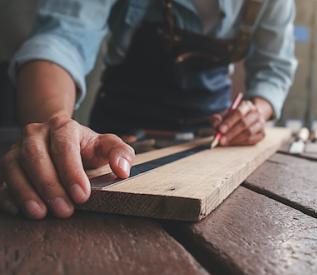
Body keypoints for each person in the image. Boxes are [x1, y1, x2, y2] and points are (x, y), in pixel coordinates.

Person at [0, 0, 296, 219]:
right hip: (119, 136)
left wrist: (257, 111)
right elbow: (62, 38)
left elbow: (275, 70)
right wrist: (55, 123)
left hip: (214, 139)